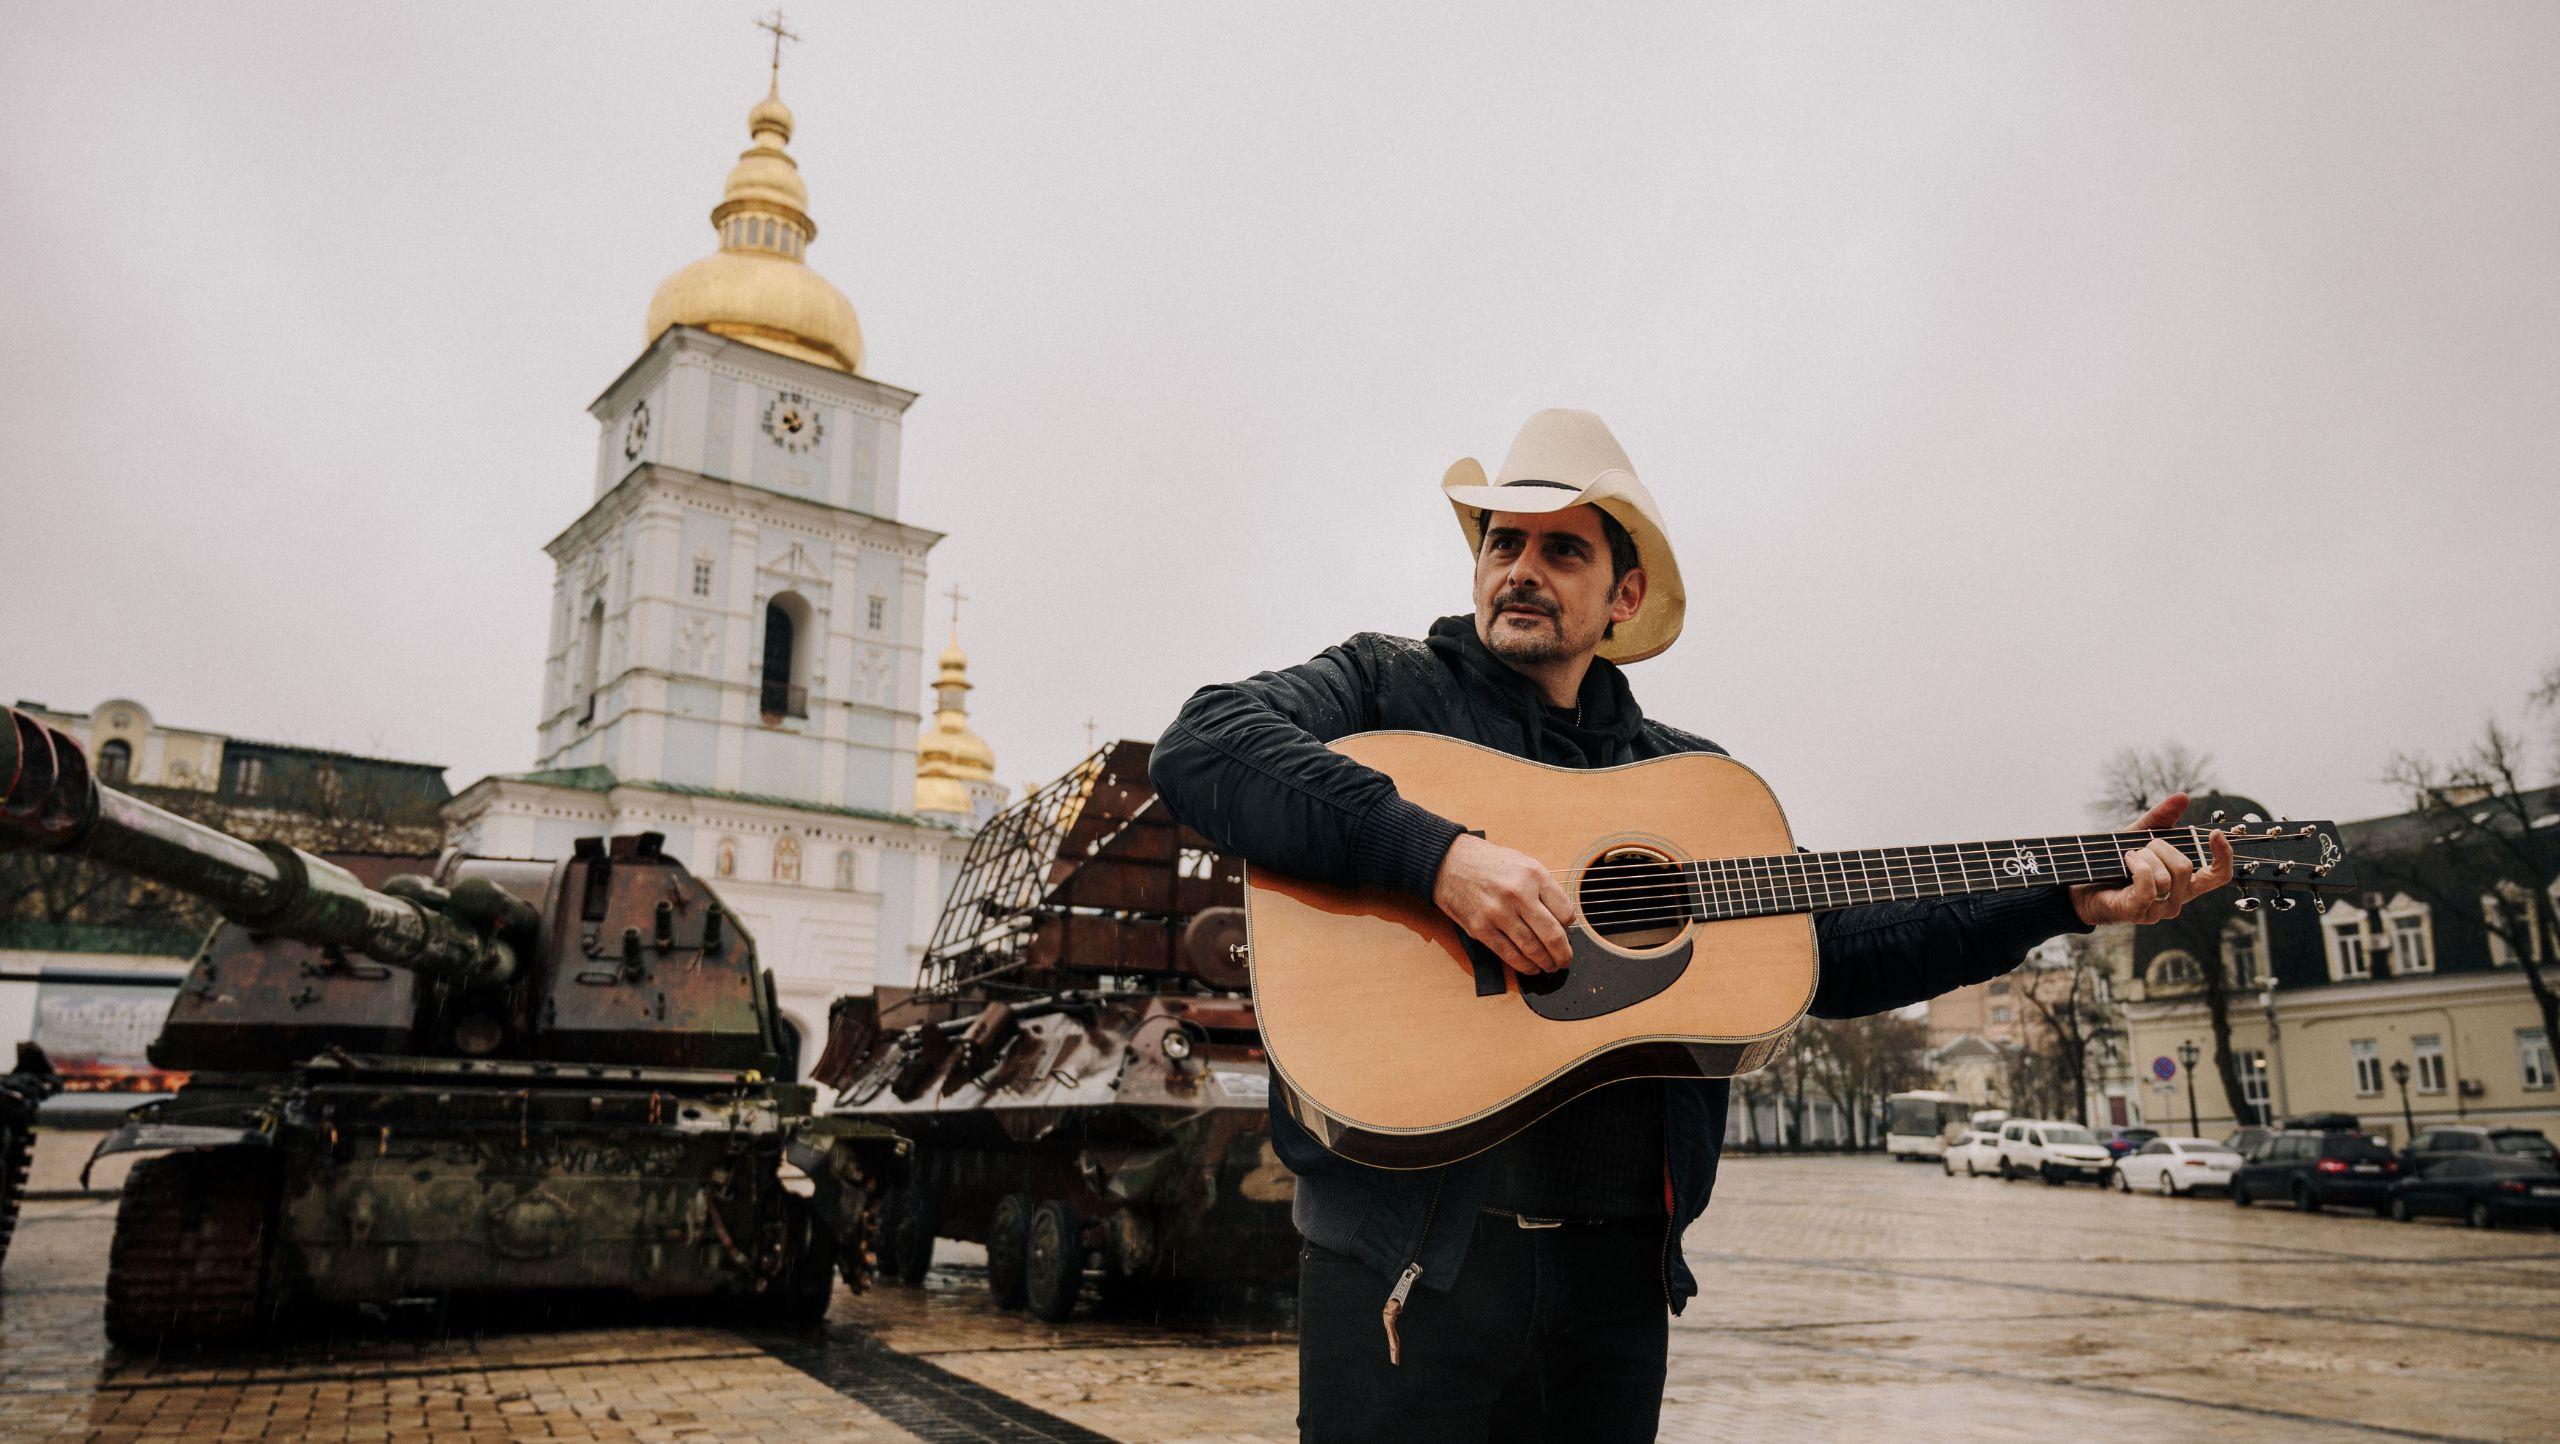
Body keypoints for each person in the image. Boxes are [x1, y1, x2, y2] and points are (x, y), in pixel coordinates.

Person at [1147, 408, 2231, 1443]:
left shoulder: (1689, 783)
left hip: (1610, 1288)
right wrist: (1438, 856)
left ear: (1622, 593)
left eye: (1559, 549)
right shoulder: (1386, 687)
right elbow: (1201, 744)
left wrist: (2059, 898)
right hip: (1405, 1269)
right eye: (1501, 540)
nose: (1518, 565)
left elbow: (1835, 947)